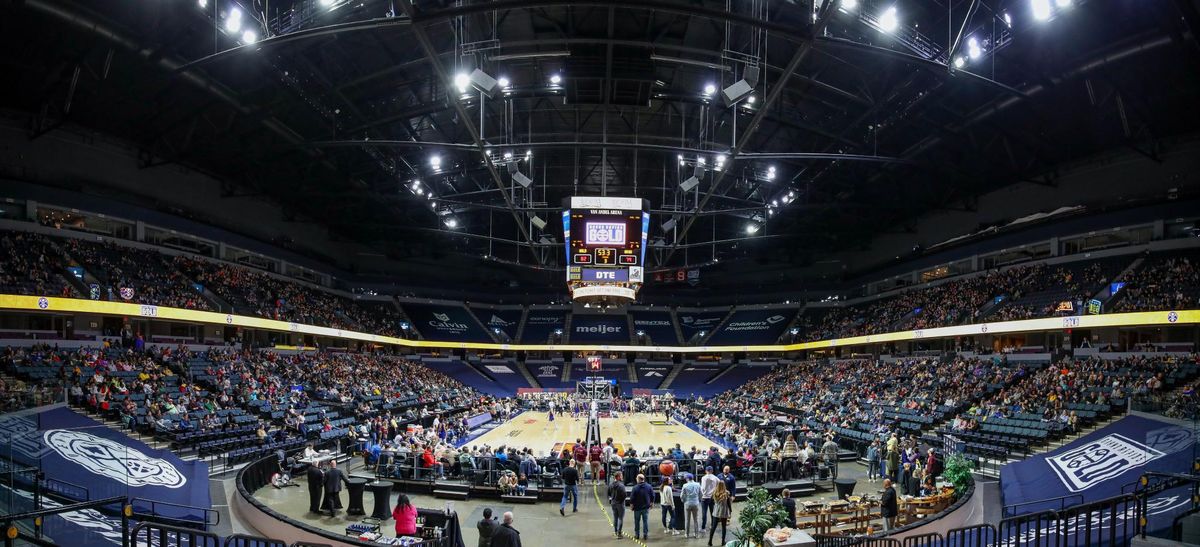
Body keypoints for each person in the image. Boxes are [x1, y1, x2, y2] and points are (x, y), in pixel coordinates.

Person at [631, 473, 655, 541]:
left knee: (637, 521)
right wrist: (652, 503)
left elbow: (632, 498)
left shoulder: (635, 487)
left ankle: (637, 535)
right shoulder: (649, 486)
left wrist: (631, 505)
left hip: (637, 508)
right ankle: (645, 535)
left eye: (636, 478)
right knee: (645, 521)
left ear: (639, 479)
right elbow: (653, 495)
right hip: (646, 507)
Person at [709, 481, 732, 546]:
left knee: (713, 527)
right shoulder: (726, 493)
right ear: (724, 485)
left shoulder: (714, 492)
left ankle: (710, 541)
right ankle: (722, 542)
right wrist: (730, 511)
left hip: (716, 511)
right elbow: (728, 503)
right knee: (724, 527)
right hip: (724, 511)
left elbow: (712, 502)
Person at [681, 473, 702, 539]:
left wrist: (684, 501)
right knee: (696, 519)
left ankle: (687, 534)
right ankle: (697, 534)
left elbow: (682, 495)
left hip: (688, 503)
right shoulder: (698, 484)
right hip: (696, 503)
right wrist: (698, 500)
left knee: (687, 519)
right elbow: (701, 494)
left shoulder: (685, 485)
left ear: (687, 478)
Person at [608, 472, 628, 538]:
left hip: (613, 503)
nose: (622, 477)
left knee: (615, 518)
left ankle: (615, 531)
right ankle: (619, 533)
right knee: (620, 518)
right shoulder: (621, 486)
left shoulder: (611, 484)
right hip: (620, 504)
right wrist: (621, 500)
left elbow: (609, 493)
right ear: (618, 477)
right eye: (621, 476)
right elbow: (624, 495)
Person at [700, 466, 718, 531]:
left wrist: (702, 494)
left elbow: (703, 488)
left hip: (705, 497)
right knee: (712, 512)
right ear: (712, 471)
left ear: (706, 471)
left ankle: (703, 527)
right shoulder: (715, 478)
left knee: (704, 513)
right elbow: (719, 485)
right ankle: (712, 525)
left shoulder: (704, 478)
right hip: (712, 497)